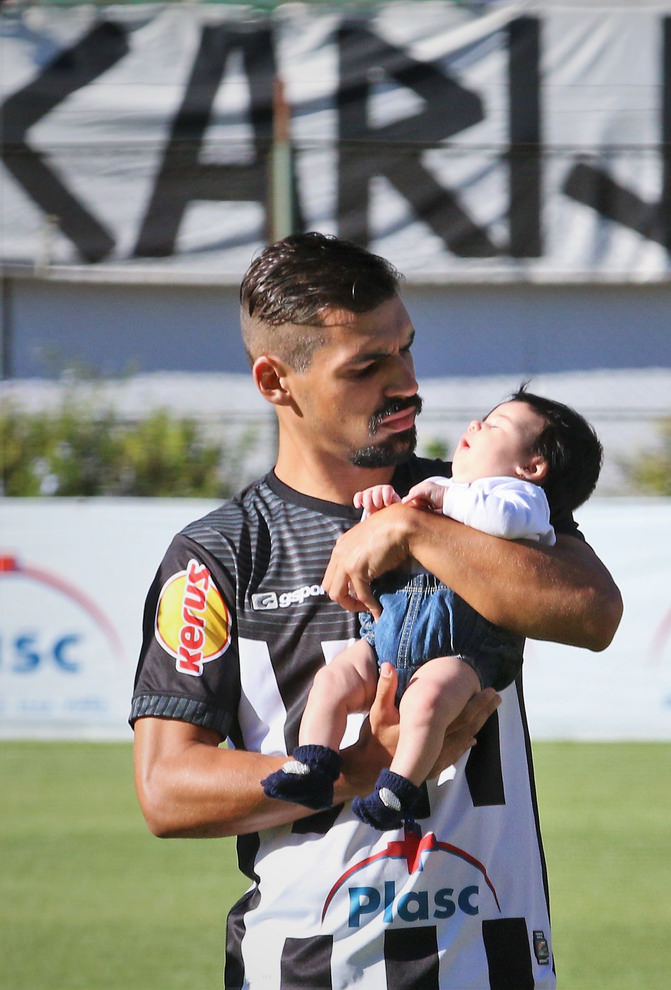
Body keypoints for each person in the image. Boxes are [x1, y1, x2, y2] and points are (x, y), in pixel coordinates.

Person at [129, 232, 622, 990]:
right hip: (304, 970)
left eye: (406, 349)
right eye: (366, 367)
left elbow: (593, 614)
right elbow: (168, 789)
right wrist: (358, 768)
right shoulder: (219, 555)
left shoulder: (480, 502)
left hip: (492, 966)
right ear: (275, 381)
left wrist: (413, 528)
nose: (407, 385)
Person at [260, 387, 603, 829]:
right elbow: (382, 548)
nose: (476, 424)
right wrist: (380, 512)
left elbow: (502, 520)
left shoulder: (523, 501)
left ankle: (398, 788)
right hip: (384, 638)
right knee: (331, 681)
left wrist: (430, 508)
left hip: (459, 650)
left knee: (428, 702)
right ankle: (312, 762)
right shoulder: (440, 489)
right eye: (483, 418)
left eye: (495, 425)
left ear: (531, 467)